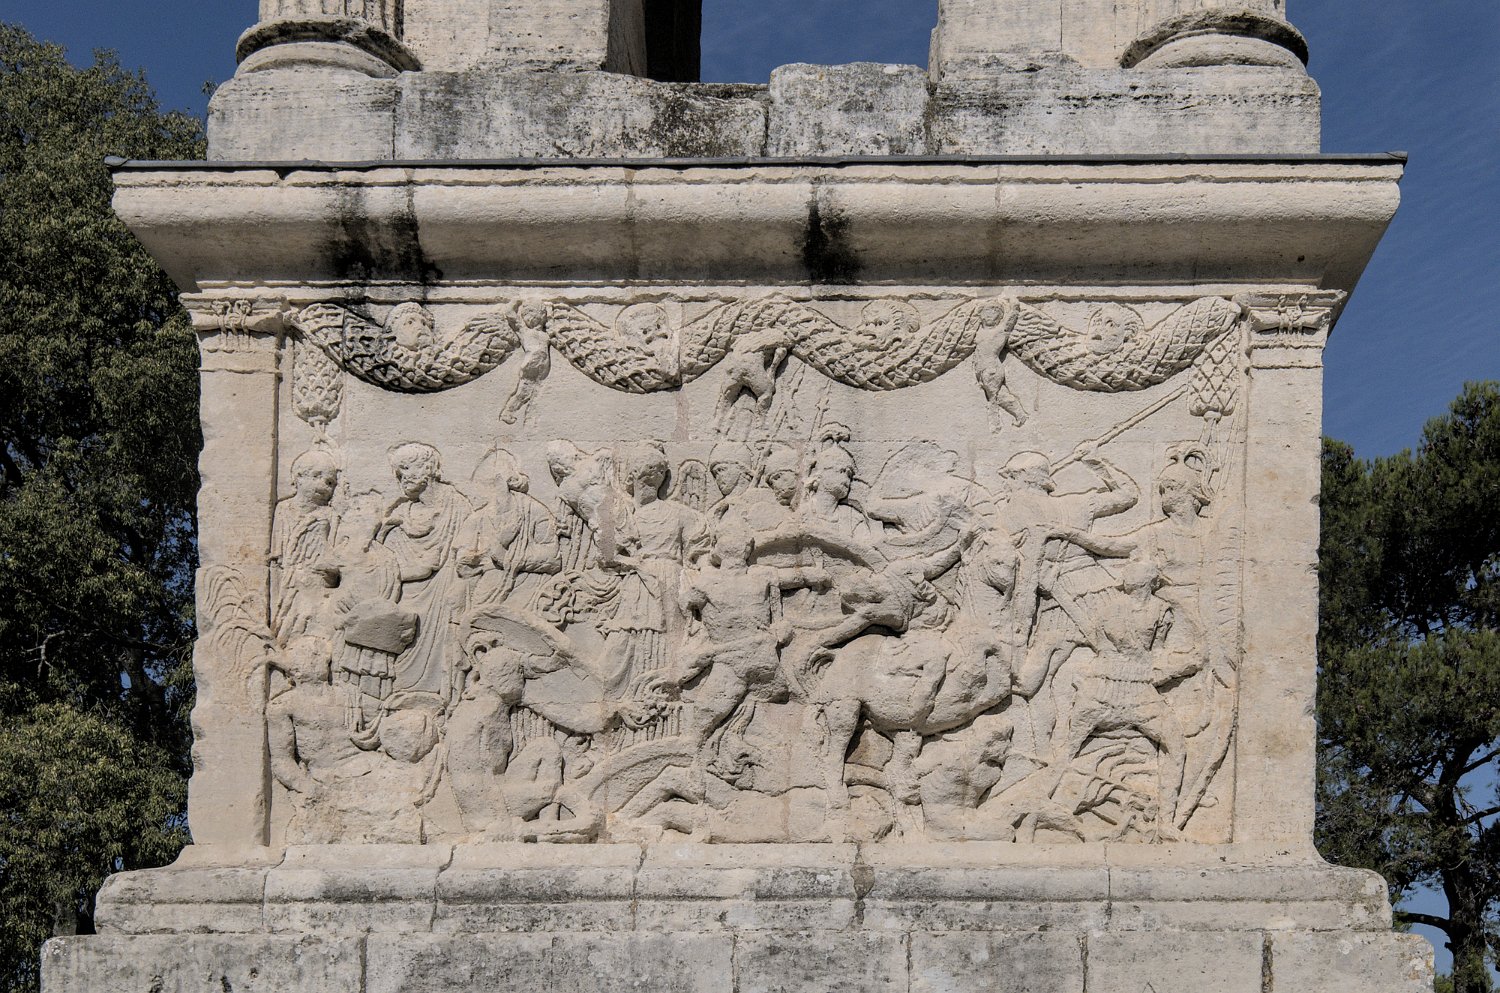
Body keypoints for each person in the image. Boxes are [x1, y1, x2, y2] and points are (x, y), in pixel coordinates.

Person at [379, 442, 472, 706]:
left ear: (428, 468)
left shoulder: (457, 506)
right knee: (404, 652)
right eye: (399, 473)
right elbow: (382, 562)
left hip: (445, 595)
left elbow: (468, 552)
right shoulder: (400, 514)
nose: (402, 477)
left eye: (407, 468)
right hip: (406, 595)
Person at [457, 448, 563, 611]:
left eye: (492, 483)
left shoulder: (534, 511)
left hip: (529, 588)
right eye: (484, 485)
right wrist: (491, 549)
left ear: (506, 481)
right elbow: (462, 564)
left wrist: (504, 555)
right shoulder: (477, 519)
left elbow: (553, 558)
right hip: (486, 590)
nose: (485, 493)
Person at [270, 448, 341, 642]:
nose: (324, 486)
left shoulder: (331, 515)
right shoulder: (284, 509)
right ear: (299, 477)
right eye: (317, 477)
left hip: (318, 578)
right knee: (286, 622)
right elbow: (277, 556)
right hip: (289, 577)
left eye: (330, 483)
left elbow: (335, 548)